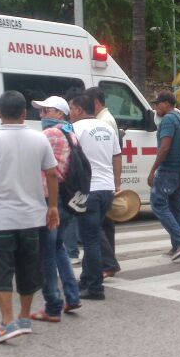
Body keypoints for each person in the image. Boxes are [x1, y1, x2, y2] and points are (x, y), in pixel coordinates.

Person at [0, 91, 60, 343]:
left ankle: (7, 322)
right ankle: (24, 317)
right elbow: (52, 174)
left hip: (1, 220)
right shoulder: (39, 140)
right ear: (24, 114)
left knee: (1, 271)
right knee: (29, 269)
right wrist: (52, 207)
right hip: (32, 218)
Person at [29, 96, 82, 322]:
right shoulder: (71, 134)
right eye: (41, 112)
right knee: (59, 247)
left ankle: (52, 305)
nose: (42, 116)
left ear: (60, 113)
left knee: (46, 254)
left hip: (51, 199)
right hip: (68, 198)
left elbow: (24, 151)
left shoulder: (50, 135)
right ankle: (72, 295)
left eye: (46, 111)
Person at [70, 93, 122, 299]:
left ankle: (94, 287)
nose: (70, 113)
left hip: (88, 190)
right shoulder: (108, 128)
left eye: (72, 109)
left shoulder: (75, 129)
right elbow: (117, 157)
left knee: (89, 240)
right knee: (92, 236)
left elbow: (70, 160)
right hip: (106, 191)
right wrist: (116, 183)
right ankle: (86, 279)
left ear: (80, 110)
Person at [147, 91, 180, 261]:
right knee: (176, 207)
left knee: (158, 203)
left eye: (157, 103)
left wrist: (153, 170)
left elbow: (164, 148)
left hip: (168, 170)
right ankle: (178, 246)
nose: (155, 107)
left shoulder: (167, 120)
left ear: (166, 103)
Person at [85, 86, 120, 276]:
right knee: (104, 225)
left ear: (96, 103)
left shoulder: (104, 121)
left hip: (99, 182)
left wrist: (116, 181)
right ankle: (106, 263)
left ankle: (108, 263)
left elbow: (114, 153)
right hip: (105, 182)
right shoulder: (103, 120)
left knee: (97, 226)